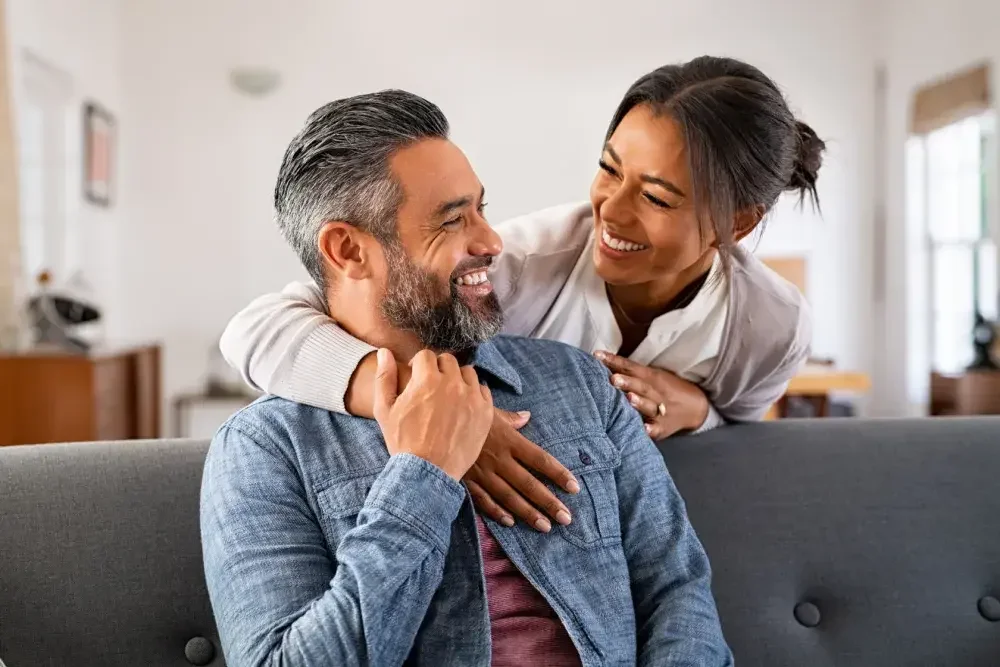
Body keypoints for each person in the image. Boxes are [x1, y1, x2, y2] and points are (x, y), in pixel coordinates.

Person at [201, 90, 732, 666]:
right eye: (453, 220)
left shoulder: (580, 383)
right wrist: (421, 476)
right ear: (348, 249)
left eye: (481, 208)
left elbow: (677, 590)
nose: (491, 241)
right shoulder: (265, 448)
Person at [219, 55, 821, 533]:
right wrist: (434, 412)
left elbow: (742, 431)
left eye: (657, 197)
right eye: (609, 169)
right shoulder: (522, 264)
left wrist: (698, 410)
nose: (610, 209)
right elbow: (257, 329)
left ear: (736, 224)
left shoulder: (770, 326)